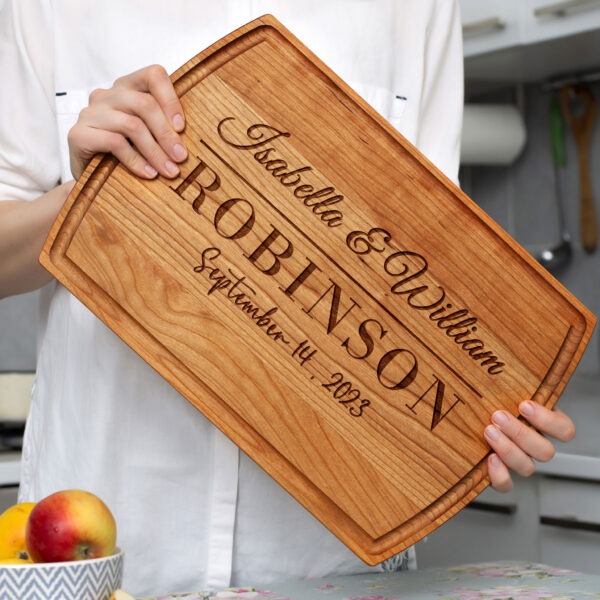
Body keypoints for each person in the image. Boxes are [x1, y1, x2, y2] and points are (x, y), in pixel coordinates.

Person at [0, 0, 576, 596]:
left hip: (332, 562)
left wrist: (485, 416)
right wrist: (88, 192)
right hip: (103, 533)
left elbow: (424, 270)